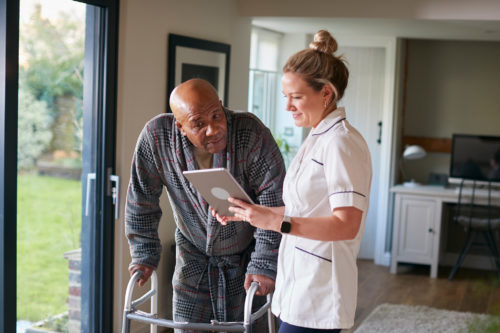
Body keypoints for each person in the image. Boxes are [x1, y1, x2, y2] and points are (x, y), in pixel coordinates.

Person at [214, 30, 372, 332]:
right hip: (298, 285)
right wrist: (246, 212)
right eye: (285, 96)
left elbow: (347, 224)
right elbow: (303, 210)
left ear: (326, 93)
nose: (288, 106)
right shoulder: (317, 138)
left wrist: (278, 223)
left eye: (296, 97)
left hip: (321, 292)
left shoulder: (341, 143)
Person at [125, 78, 286, 331]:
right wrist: (144, 254)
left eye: (216, 115)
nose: (213, 129)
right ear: (180, 126)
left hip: (248, 259)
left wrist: (264, 262)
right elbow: (141, 198)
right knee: (187, 327)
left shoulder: (250, 133)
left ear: (221, 106)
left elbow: (275, 200)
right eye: (199, 124)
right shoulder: (157, 138)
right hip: (193, 257)